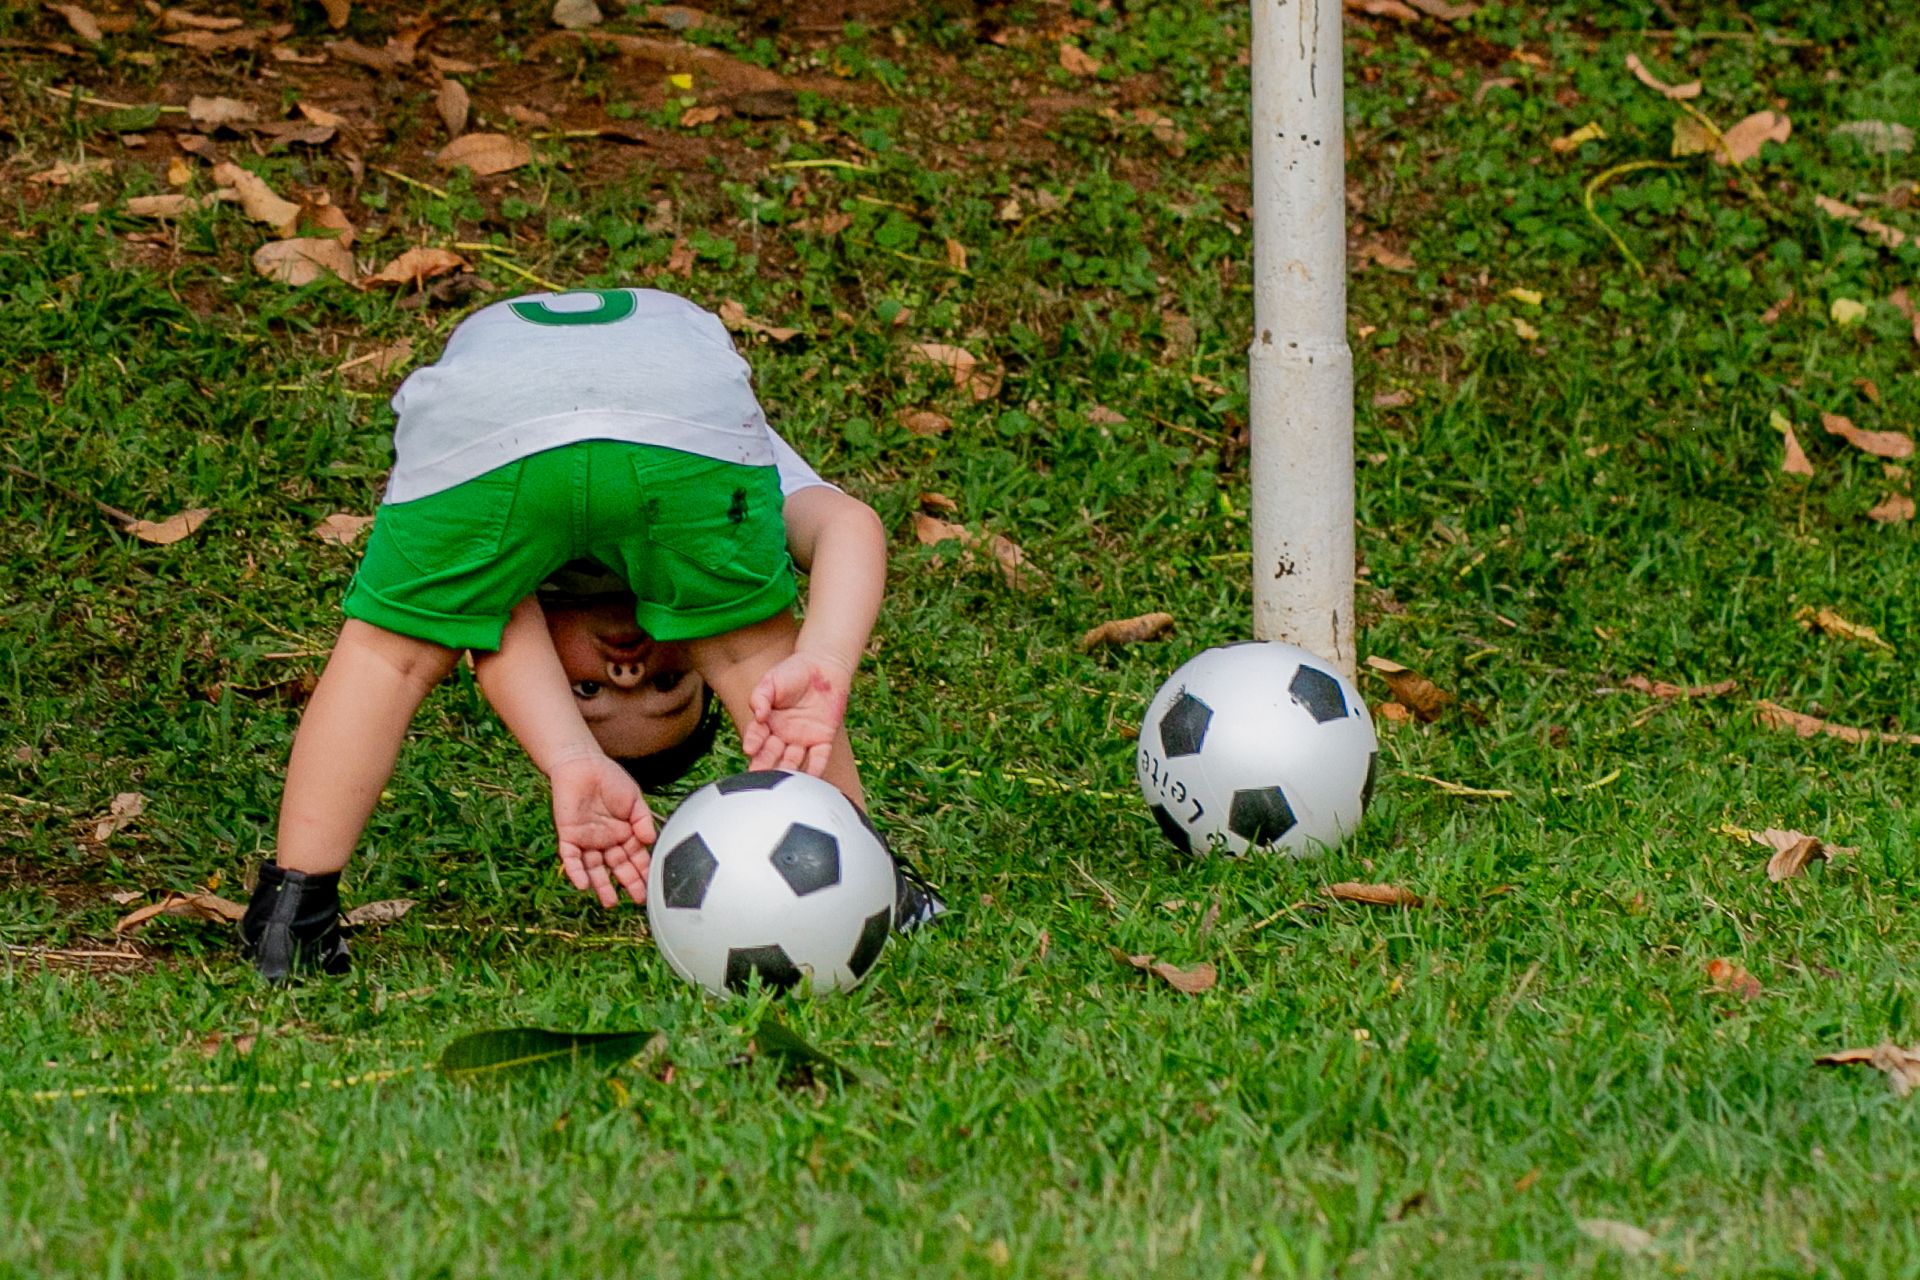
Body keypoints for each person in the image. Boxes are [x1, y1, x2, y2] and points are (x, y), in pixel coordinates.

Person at [240, 287, 942, 981]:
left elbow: (498, 631)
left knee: (389, 657)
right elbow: (849, 523)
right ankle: (871, 872)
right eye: (671, 683)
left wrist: (571, 756)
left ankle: (292, 917)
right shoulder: (744, 463)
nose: (630, 672)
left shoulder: (514, 571)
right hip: (679, 412)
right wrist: (822, 658)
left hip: (487, 417)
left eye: (585, 690)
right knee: (754, 656)